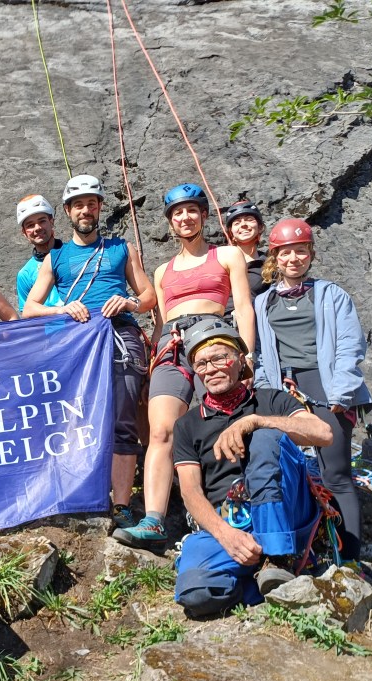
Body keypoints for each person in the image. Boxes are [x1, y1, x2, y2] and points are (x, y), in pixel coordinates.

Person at [115, 183, 255, 552]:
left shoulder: (228, 255)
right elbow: (160, 322)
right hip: (172, 345)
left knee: (222, 424)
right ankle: (153, 519)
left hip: (214, 338)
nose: (185, 217)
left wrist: (248, 355)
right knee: (161, 430)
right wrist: (151, 367)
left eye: (192, 210)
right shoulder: (162, 271)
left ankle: (232, 508)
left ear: (204, 215)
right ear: (170, 222)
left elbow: (243, 307)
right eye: (178, 213)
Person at [171, 320, 332, 618]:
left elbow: (323, 433)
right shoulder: (187, 425)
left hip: (287, 510)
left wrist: (256, 421)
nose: (210, 369)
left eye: (220, 358)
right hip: (231, 523)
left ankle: (278, 554)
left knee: (266, 436)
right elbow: (191, 492)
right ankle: (261, 576)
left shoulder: (270, 400)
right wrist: (226, 536)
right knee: (195, 594)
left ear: (239, 360)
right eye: (201, 363)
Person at [23, 174, 157, 529]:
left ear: (100, 208)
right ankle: (83, 494)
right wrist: (61, 309)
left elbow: (148, 296)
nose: (86, 210)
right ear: (68, 212)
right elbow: (30, 308)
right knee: (77, 420)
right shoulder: (56, 257)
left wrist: (129, 302)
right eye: (79, 205)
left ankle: (122, 505)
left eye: (91, 204)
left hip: (120, 335)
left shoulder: (121, 248)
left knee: (123, 420)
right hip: (79, 341)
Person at [253, 218, 372, 562]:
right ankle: (289, 552)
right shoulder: (263, 302)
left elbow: (349, 344)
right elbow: (259, 352)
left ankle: (350, 559)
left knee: (336, 474)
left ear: (311, 254)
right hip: (282, 389)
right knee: (282, 469)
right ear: (275, 257)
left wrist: (342, 393)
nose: (294, 258)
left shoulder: (331, 295)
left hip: (326, 386)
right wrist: (266, 390)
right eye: (286, 252)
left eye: (301, 251)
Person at [14, 194, 63, 313]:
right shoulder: (25, 274)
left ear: (51, 222)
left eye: (42, 221)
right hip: (51, 324)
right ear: (24, 232)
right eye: (30, 225)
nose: (37, 228)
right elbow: (28, 314)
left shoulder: (72, 255)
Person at [222, 199, 269, 302]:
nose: (243, 224)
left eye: (249, 219)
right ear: (230, 233)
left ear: (260, 227)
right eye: (237, 223)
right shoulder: (220, 261)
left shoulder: (270, 264)